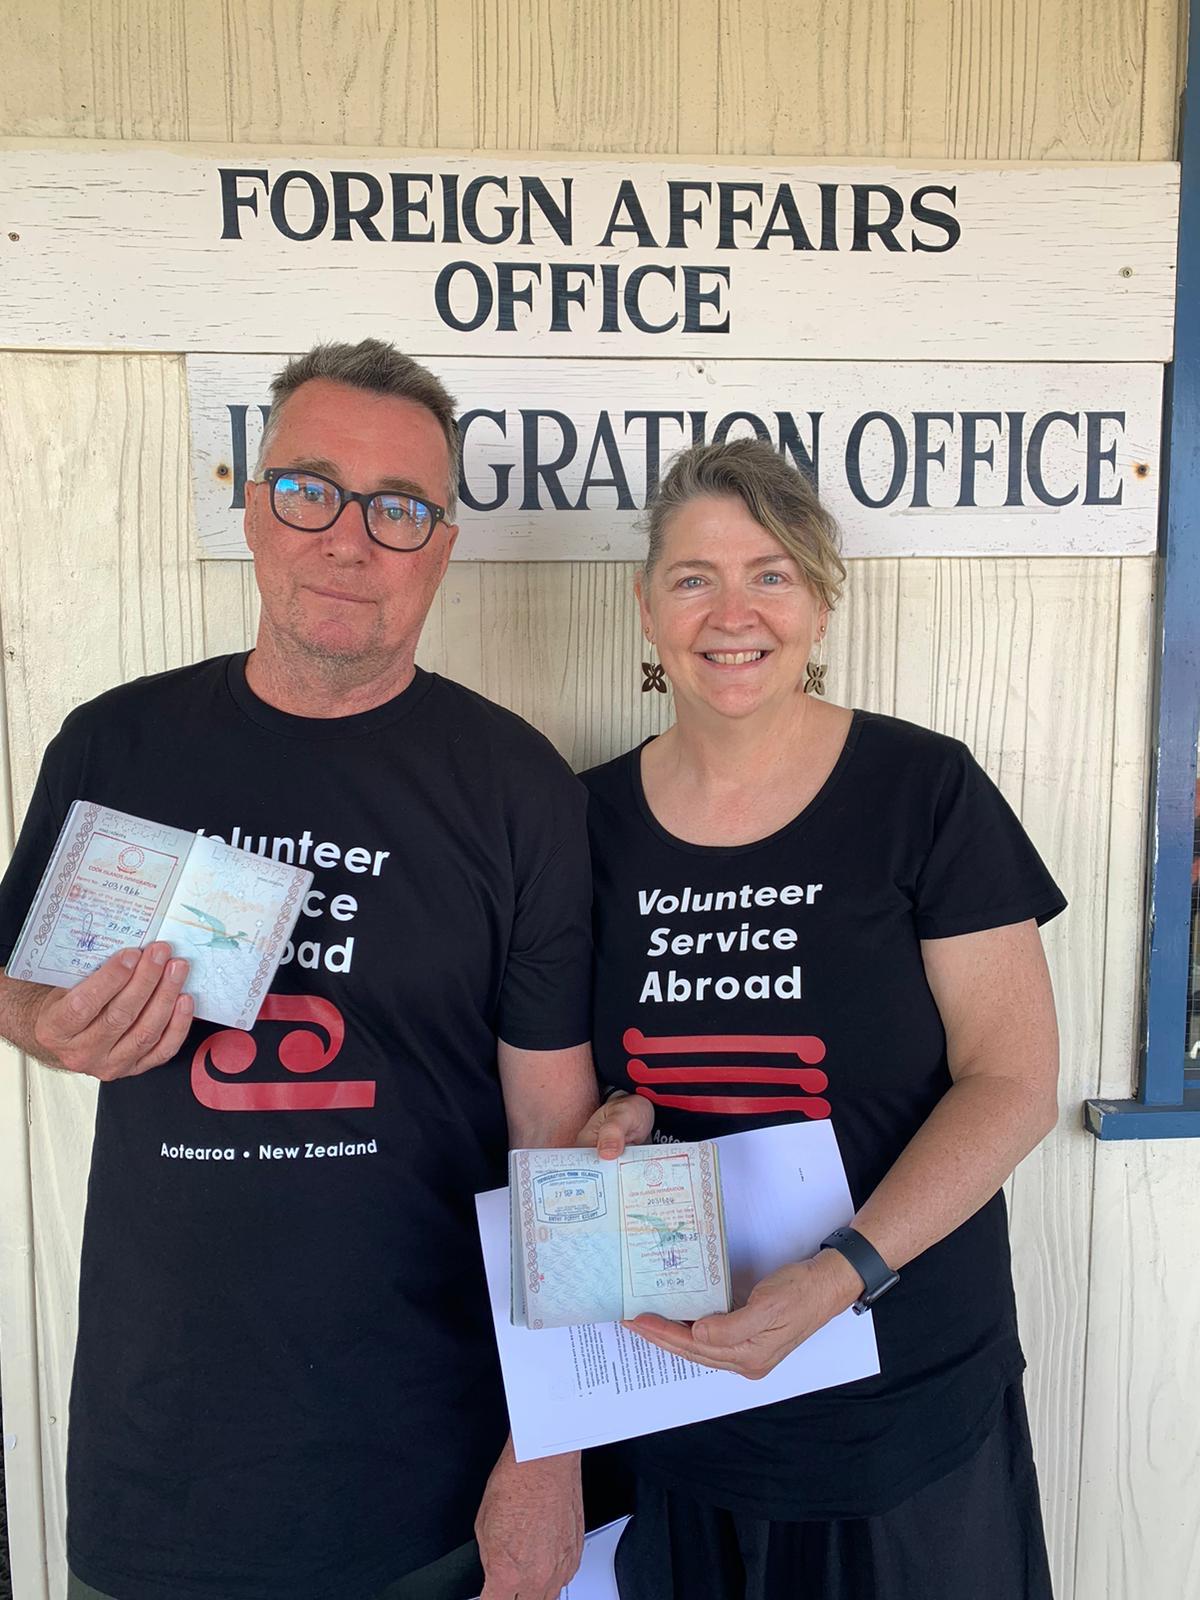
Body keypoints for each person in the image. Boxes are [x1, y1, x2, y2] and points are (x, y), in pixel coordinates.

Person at [0, 340, 598, 1600]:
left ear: (440, 545)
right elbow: (14, 984)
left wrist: (551, 1450)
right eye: (309, 489)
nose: (349, 539)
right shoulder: (117, 744)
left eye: (399, 510)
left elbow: (557, 1144)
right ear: (253, 507)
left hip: (423, 1480)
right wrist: (52, 1027)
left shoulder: (515, 787)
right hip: (156, 1472)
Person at [577, 438, 1063, 1600]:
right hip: (677, 1397)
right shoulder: (581, 821)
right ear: (647, 606)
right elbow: (572, 1071)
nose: (731, 611)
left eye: (771, 572)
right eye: (694, 576)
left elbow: (1011, 1078)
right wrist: (613, 1113)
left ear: (820, 598)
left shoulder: (924, 792)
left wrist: (847, 1269)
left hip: (902, 1412)